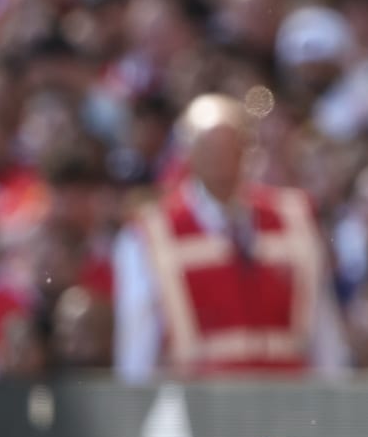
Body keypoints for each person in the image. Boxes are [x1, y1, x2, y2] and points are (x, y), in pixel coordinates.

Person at [112, 94, 349, 379]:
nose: (222, 158)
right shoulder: (150, 232)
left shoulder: (293, 218)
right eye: (210, 147)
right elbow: (139, 334)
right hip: (203, 400)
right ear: (188, 152)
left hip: (286, 396)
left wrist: (333, 391)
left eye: (231, 145)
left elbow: (322, 323)